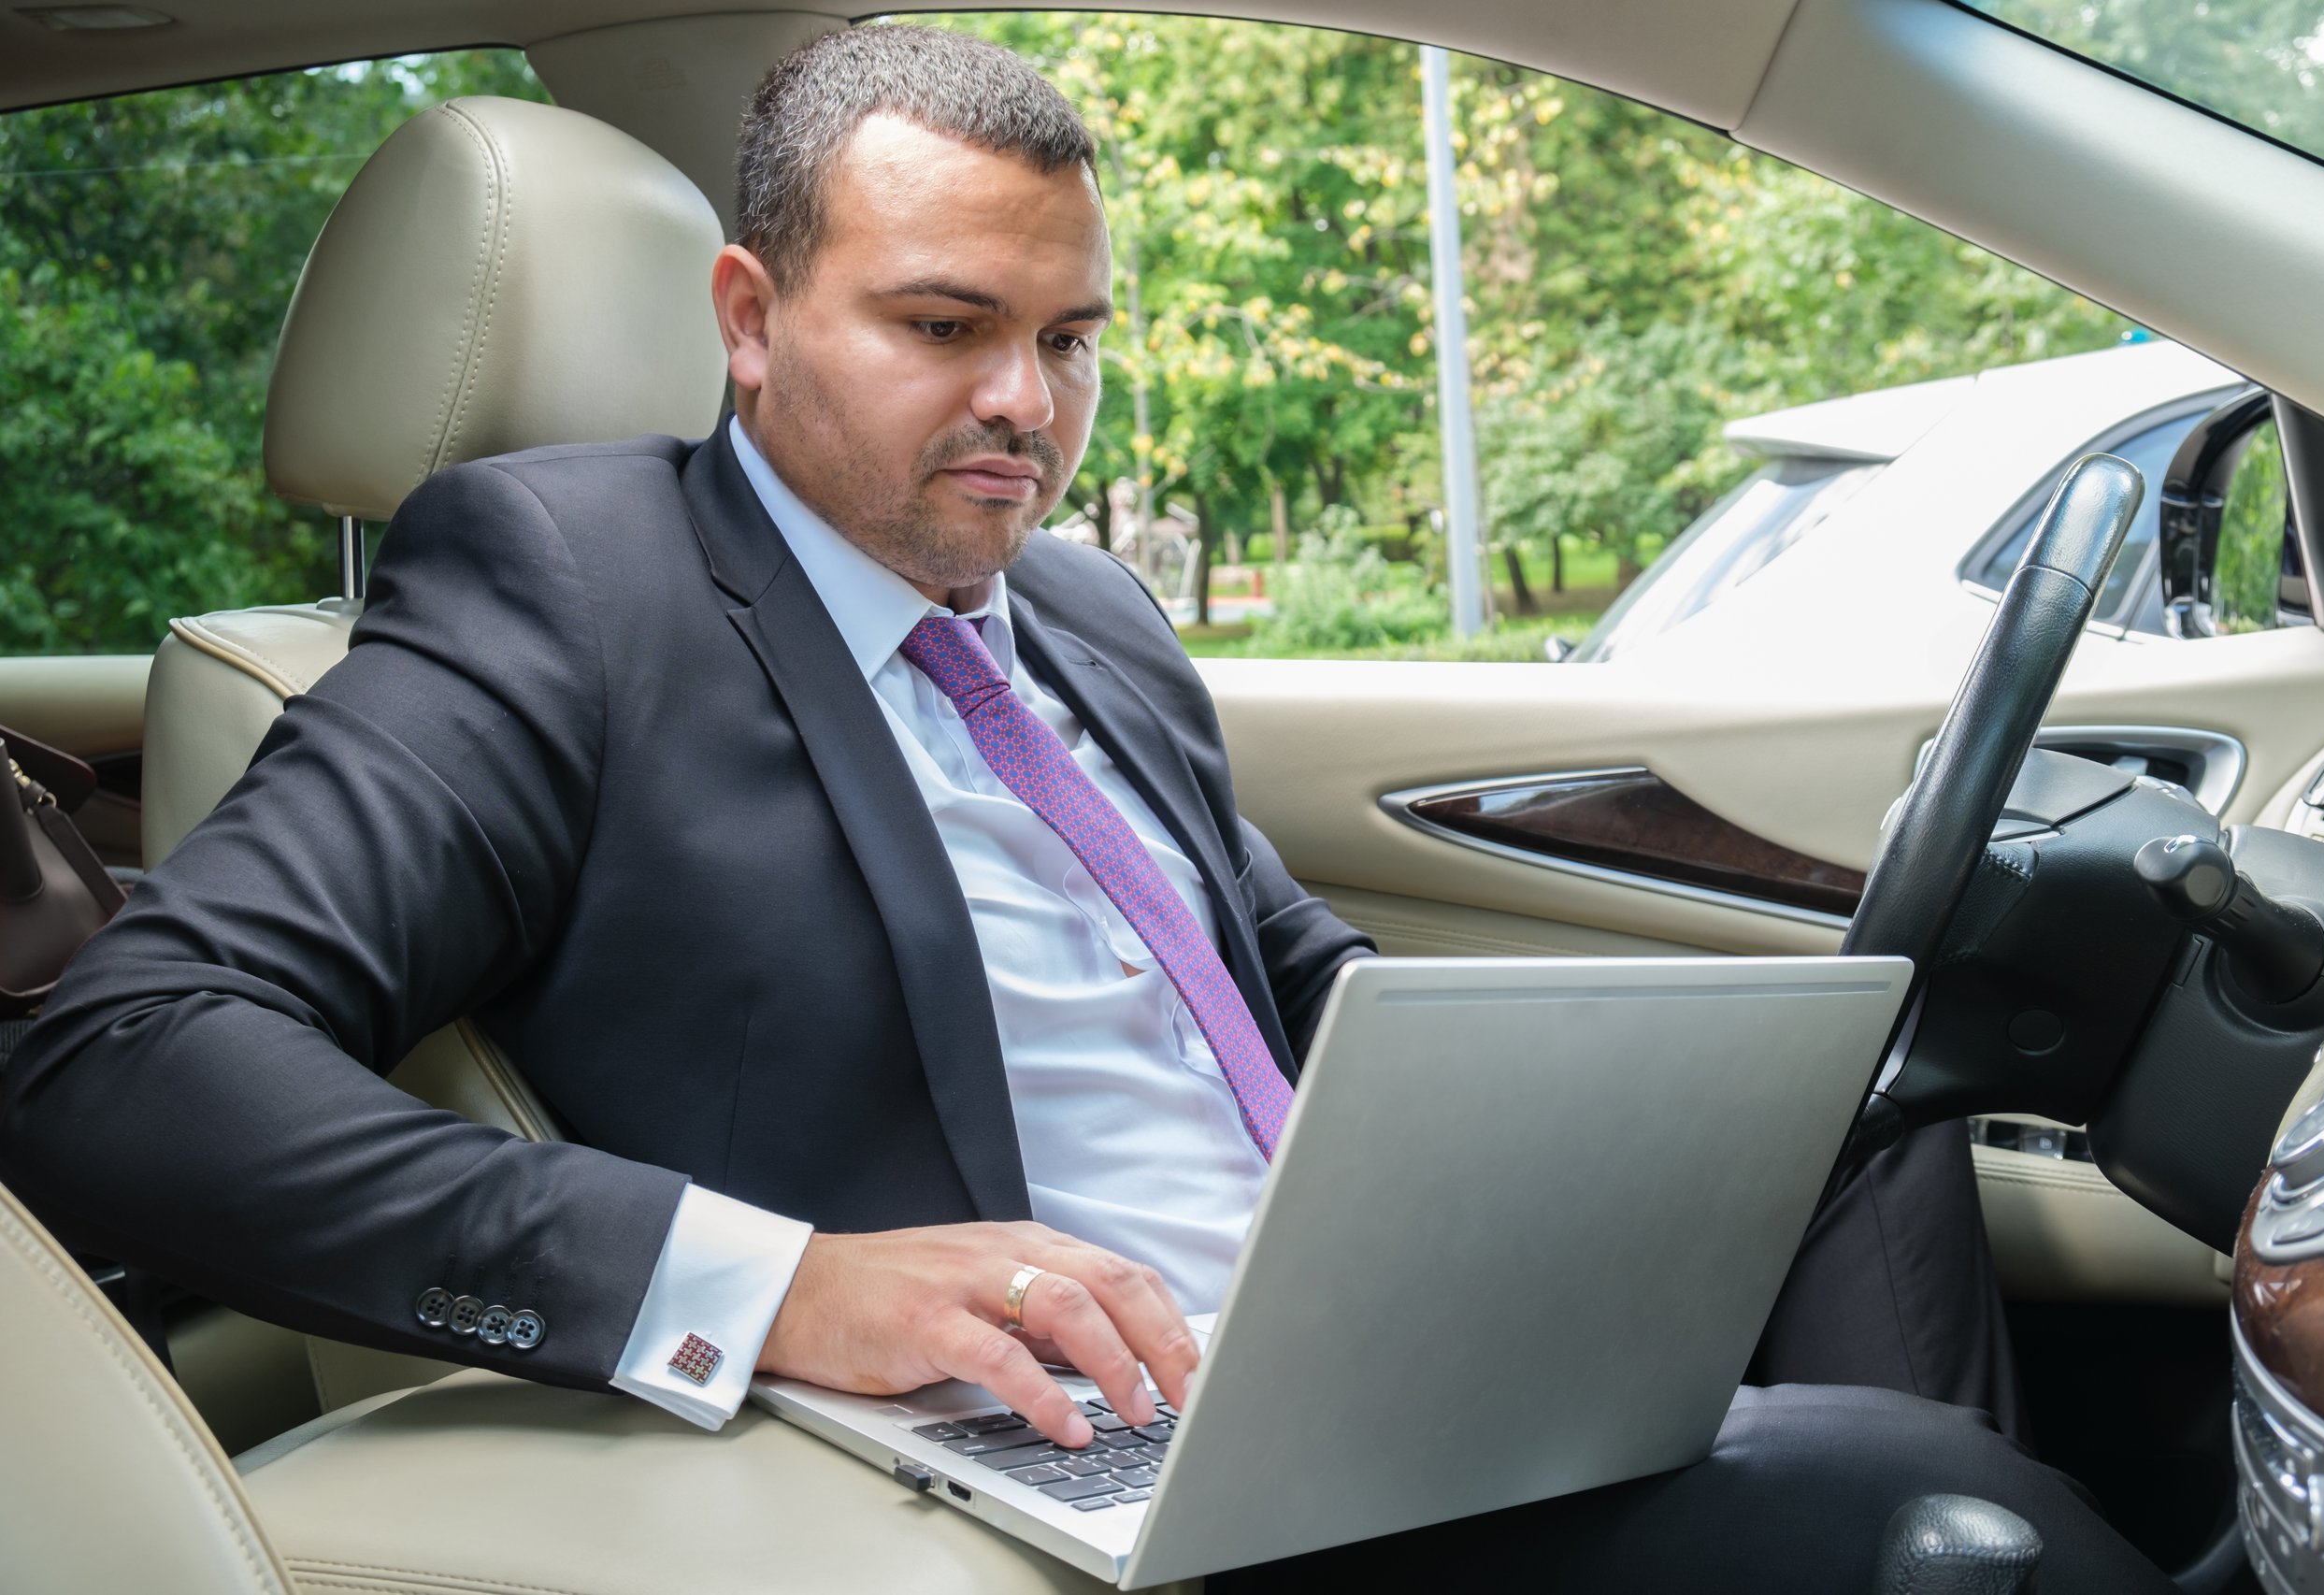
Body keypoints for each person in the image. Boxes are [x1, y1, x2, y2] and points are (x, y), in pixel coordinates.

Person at [0, 24, 2164, 1591]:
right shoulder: (567, 588)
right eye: (944, 326)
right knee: (1920, 1519)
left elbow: (1284, 988)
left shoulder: (1091, 616)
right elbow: (123, 1063)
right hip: (1102, 1463)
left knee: (1871, 1136)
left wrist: (1587, 1130)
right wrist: (787, 1285)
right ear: (747, 321)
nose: (1023, 409)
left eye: (1068, 338)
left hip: (1346, 1343)